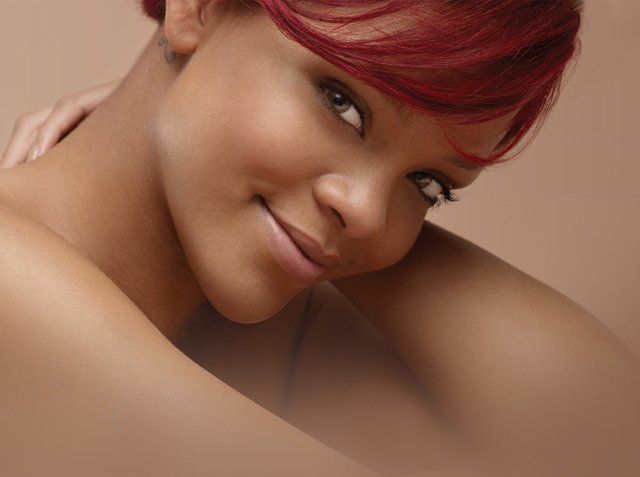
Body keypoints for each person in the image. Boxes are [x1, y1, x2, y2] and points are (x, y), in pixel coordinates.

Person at [0, 1, 638, 476]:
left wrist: (196, 103)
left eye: (428, 184)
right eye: (342, 103)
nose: (368, 212)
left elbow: (610, 437)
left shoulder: (277, 335)